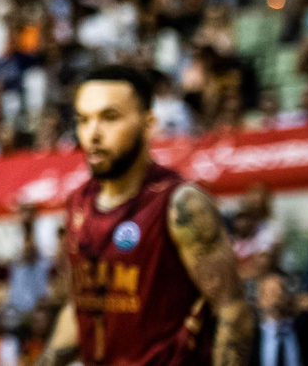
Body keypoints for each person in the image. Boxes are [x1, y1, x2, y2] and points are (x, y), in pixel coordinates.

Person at [35, 65, 253, 366]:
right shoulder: (77, 204)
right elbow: (82, 305)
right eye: (83, 120)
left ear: (148, 123)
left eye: (110, 118)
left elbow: (233, 311)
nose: (93, 134)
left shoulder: (181, 204)